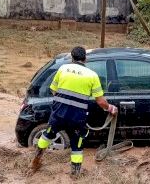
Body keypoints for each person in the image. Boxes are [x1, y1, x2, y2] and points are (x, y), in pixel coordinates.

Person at [30, 46, 118, 176]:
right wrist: (111, 108)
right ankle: (75, 174)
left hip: (58, 114)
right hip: (77, 118)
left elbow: (53, 90)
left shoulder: (63, 69)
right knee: (77, 145)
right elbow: (100, 102)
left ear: (72, 57)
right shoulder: (92, 75)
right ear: (85, 59)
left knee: (48, 135)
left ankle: (36, 159)